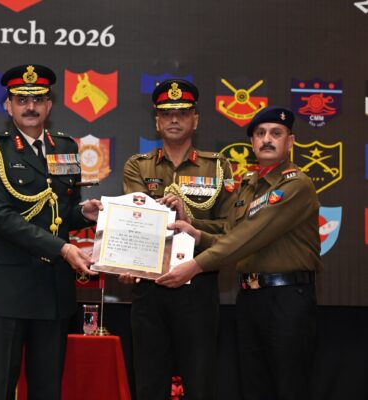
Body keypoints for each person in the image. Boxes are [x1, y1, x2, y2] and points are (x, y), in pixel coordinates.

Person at [157, 106, 323, 400]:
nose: (267, 139)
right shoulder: (249, 185)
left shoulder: (294, 185)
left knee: (290, 387)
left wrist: (196, 265)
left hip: (286, 300)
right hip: (249, 299)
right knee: (253, 387)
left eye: (276, 133)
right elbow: (229, 233)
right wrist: (196, 232)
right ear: (252, 143)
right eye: (260, 134)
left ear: (290, 141)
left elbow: (247, 237)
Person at [0, 64, 101, 400]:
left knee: (47, 389)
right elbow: (1, 217)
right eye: (22, 99)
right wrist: (63, 249)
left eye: (38, 99)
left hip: (53, 292)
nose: (31, 106)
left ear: (49, 104)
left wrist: (84, 214)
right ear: (8, 106)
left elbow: (60, 213)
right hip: (8, 292)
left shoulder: (65, 147)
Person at [121, 79, 236, 400]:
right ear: (156, 121)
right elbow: (134, 221)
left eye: (183, 113)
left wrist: (190, 222)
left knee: (201, 383)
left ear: (195, 120)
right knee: (149, 384)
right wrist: (124, 261)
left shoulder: (218, 166)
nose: (174, 119)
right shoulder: (137, 165)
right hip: (149, 287)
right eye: (166, 113)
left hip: (197, 286)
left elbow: (230, 230)